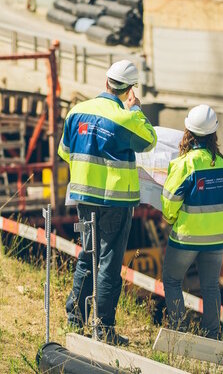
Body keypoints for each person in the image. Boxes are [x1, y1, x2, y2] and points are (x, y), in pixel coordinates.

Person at [59, 59, 157, 345]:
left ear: (106, 83)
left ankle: (75, 318)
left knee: (86, 255)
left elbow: (65, 152)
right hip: (114, 200)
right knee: (108, 263)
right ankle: (103, 329)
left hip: (83, 198)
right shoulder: (125, 118)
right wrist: (135, 109)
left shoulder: (76, 113)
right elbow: (149, 140)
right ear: (129, 90)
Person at [161, 105, 223, 340]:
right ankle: (212, 338)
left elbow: (169, 201)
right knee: (211, 286)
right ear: (214, 133)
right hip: (217, 238)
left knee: (172, 280)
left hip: (187, 238)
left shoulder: (184, 164)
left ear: (188, 131)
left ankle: (179, 335)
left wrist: (170, 218)